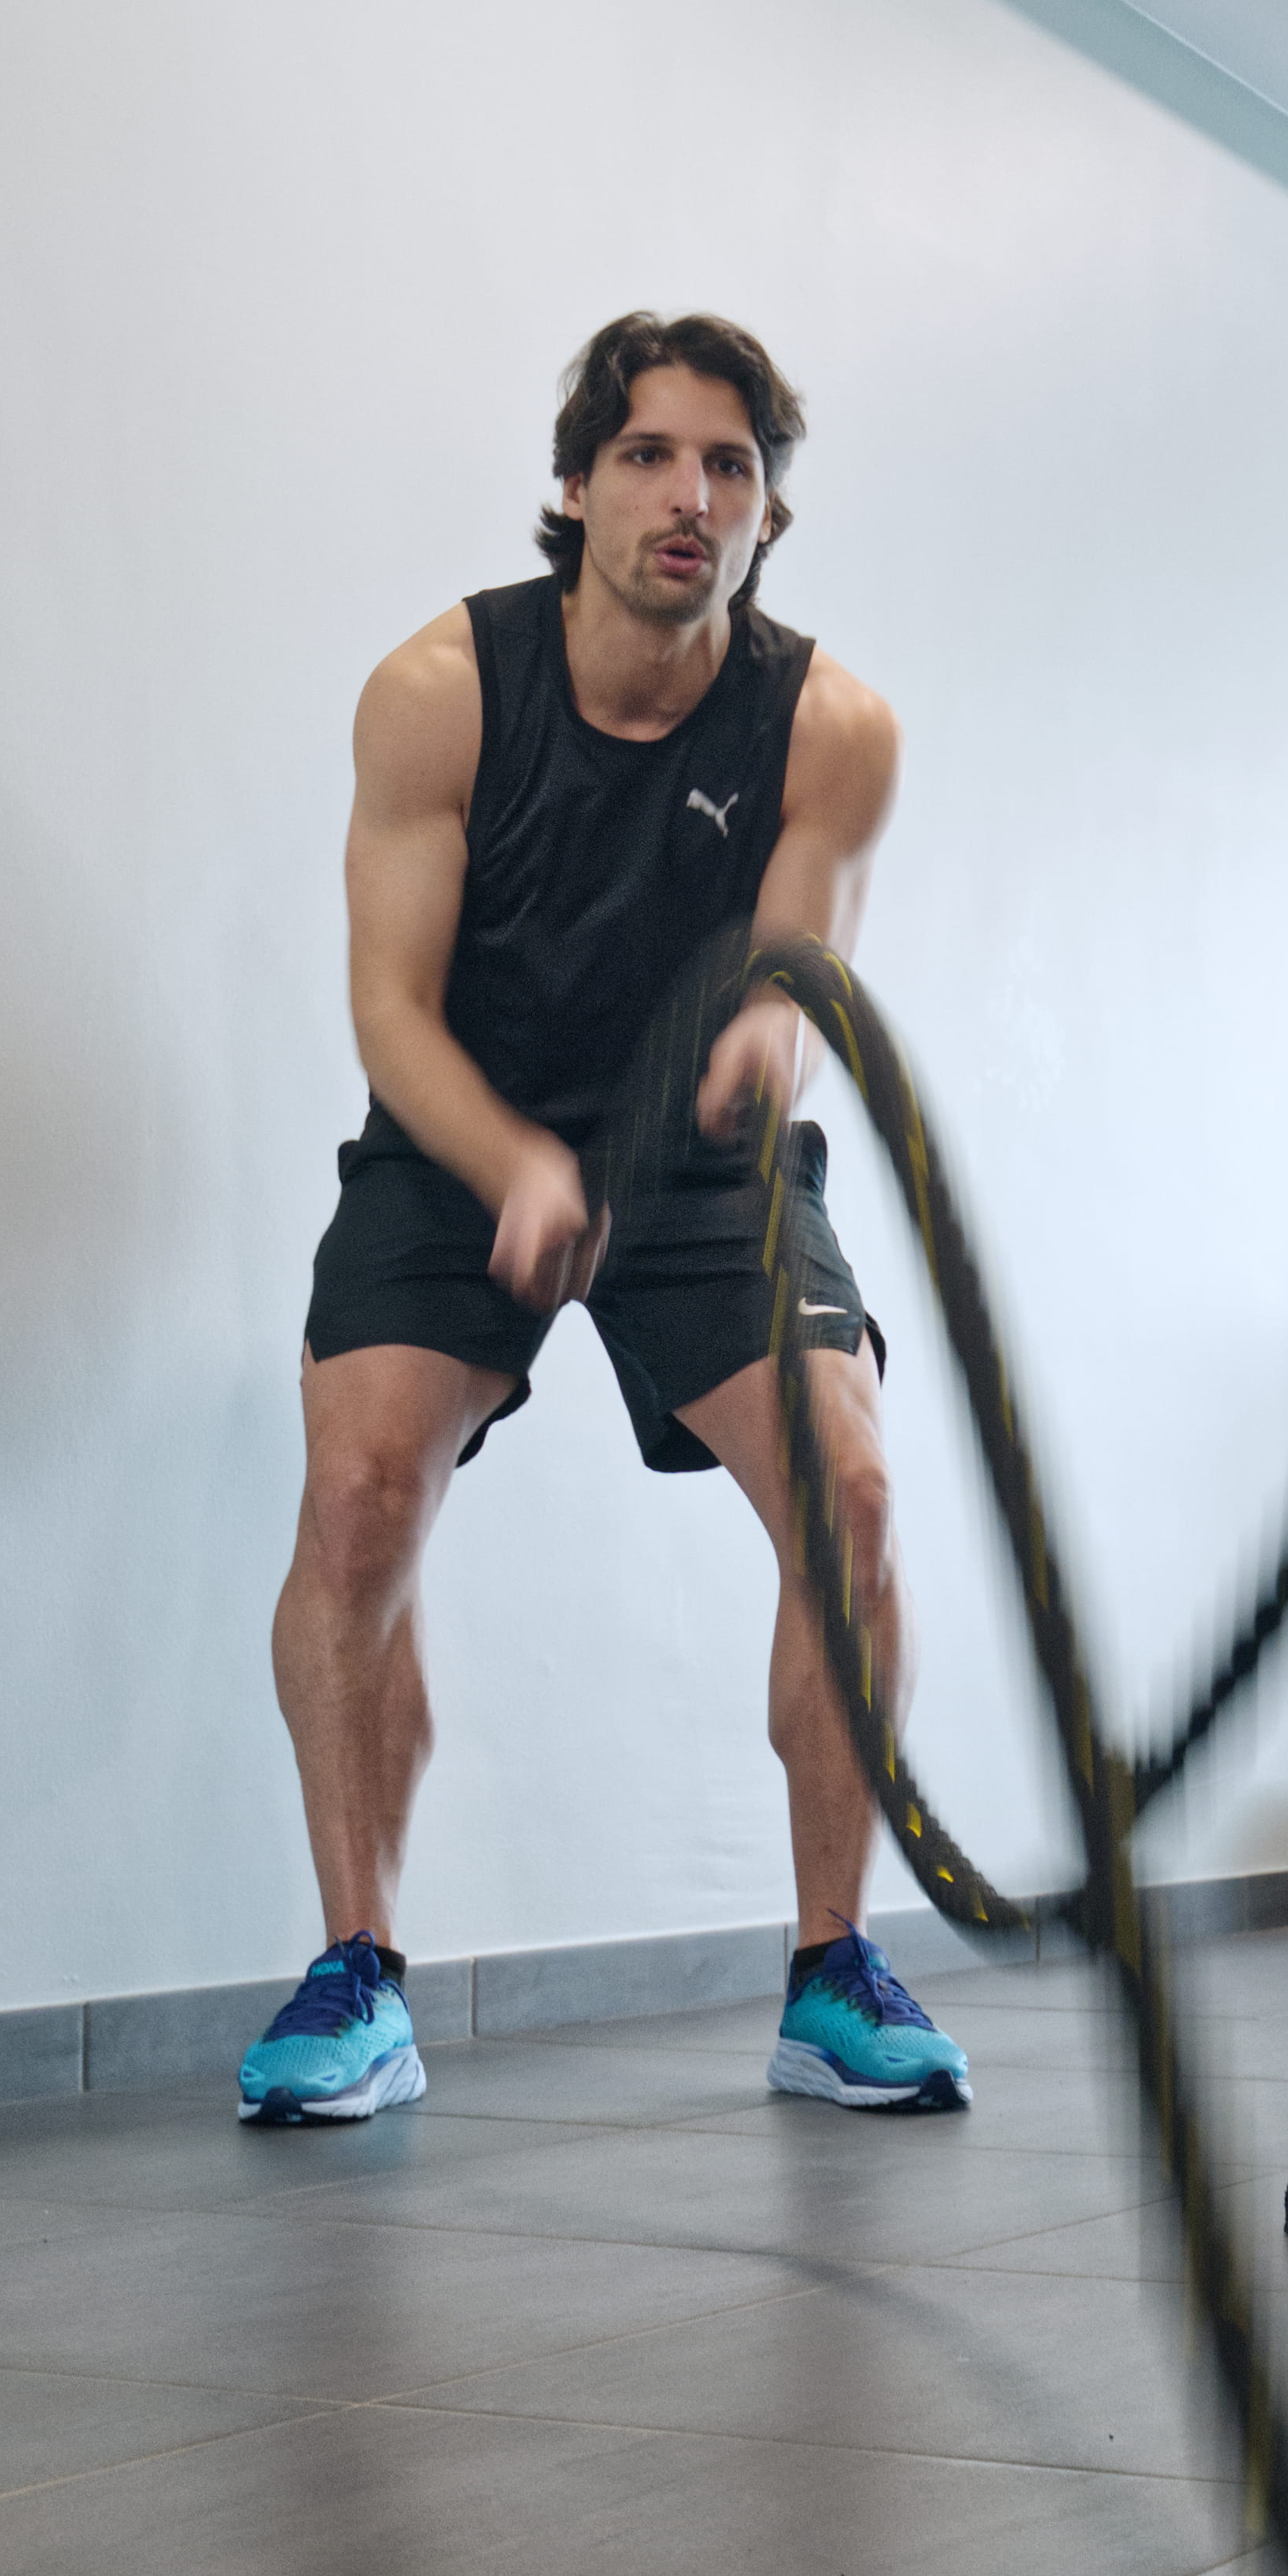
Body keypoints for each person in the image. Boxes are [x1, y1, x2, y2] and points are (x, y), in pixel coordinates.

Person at [239, 311, 973, 2126]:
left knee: (855, 1490)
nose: (689, 495)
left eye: (731, 466)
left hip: (704, 1162)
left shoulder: (833, 728)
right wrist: (516, 1165)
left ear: (767, 519)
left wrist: (751, 1063)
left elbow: (797, 994)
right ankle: (360, 1974)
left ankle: (830, 1973)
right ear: (574, 488)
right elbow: (392, 1012)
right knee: (360, 1490)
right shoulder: (441, 693)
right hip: (457, 1136)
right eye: (649, 454)